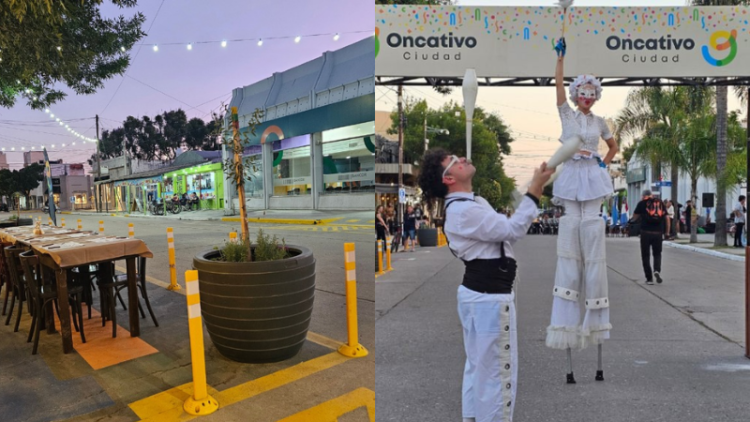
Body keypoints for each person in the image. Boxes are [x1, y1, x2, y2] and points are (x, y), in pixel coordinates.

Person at [417, 148, 554, 422]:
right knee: (497, 374)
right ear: (448, 179)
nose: (462, 159)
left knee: (479, 368)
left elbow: (504, 234)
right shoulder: (465, 211)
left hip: (482, 296)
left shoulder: (472, 203)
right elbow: (513, 230)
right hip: (489, 299)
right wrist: (535, 189)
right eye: (454, 162)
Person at [546, 41, 619, 384]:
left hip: (592, 177)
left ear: (596, 95)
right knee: (571, 230)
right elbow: (557, 90)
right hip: (571, 174)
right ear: (577, 94)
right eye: (582, 92)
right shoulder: (568, 115)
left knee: (592, 232)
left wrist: (604, 164)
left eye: (591, 93)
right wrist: (560, 59)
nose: (586, 97)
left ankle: (595, 314)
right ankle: (568, 317)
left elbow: (614, 145)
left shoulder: (600, 122)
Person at [632, 190, 666, 285]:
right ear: (651, 195)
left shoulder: (642, 203)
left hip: (645, 232)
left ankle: (649, 279)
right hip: (658, 233)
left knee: (645, 255)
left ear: (643, 196)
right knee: (657, 254)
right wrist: (666, 232)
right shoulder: (660, 203)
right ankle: (656, 270)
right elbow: (665, 217)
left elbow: (634, 217)